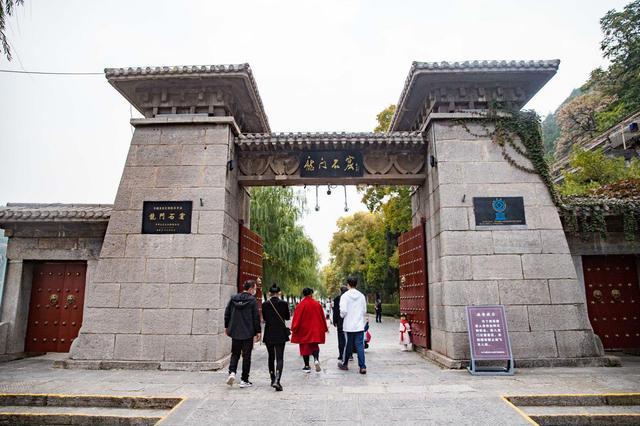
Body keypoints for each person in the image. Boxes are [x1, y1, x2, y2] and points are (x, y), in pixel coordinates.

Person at [224, 279, 261, 388]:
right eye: (255, 288)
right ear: (251, 288)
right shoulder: (252, 300)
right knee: (246, 356)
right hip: (248, 333)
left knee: (235, 354)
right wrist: (258, 331)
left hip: (235, 332)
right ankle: (244, 380)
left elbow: (227, 313)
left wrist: (227, 326)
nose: (255, 290)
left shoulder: (234, 298)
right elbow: (256, 317)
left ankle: (232, 373)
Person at [291, 287, 328, 372]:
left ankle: (307, 366)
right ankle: (316, 359)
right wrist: (325, 328)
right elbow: (322, 317)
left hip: (304, 329)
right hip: (315, 329)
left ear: (303, 294)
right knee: (314, 345)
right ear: (311, 294)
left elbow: (296, 318)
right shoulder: (317, 304)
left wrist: (294, 328)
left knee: (304, 347)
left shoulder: (300, 305)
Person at [261, 283, 290, 391]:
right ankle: (277, 380)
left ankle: (272, 379)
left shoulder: (265, 304)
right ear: (279, 293)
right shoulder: (284, 303)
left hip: (269, 333)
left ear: (269, 293)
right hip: (280, 333)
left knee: (271, 357)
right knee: (280, 357)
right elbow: (287, 317)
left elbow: (265, 318)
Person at [339, 277, 367, 374]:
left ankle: (345, 364)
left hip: (348, 325)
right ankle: (362, 367)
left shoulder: (345, 296)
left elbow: (343, 311)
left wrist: (342, 316)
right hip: (359, 325)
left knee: (348, 345)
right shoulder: (361, 296)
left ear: (348, 285)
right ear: (356, 284)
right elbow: (364, 311)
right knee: (360, 346)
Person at [332, 286, 348, 359]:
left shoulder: (336, 299)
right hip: (348, 321)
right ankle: (349, 354)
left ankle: (341, 354)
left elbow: (335, 311)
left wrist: (334, 321)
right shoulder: (349, 298)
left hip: (340, 322)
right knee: (349, 338)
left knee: (340, 338)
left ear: (340, 291)